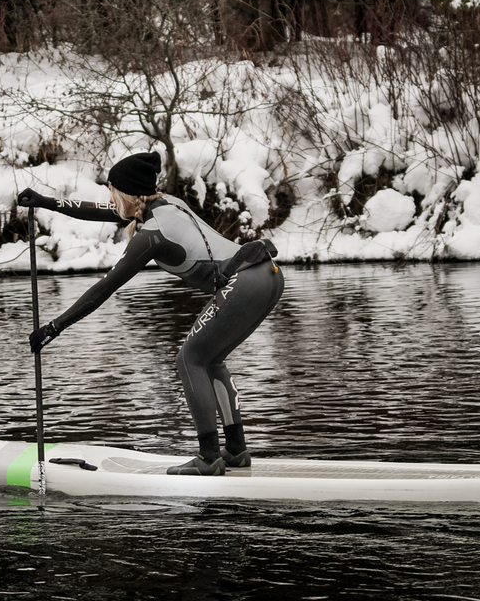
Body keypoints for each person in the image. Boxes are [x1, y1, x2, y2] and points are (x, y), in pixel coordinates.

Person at [16, 152, 284, 475]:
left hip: (246, 281)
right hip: (266, 272)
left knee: (189, 359)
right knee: (209, 359)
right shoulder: (166, 202)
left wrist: (53, 327)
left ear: (129, 194)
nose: (110, 198)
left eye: (113, 191)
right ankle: (236, 451)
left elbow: (103, 289)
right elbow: (104, 212)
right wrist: (47, 202)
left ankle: (209, 458)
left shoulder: (152, 234)